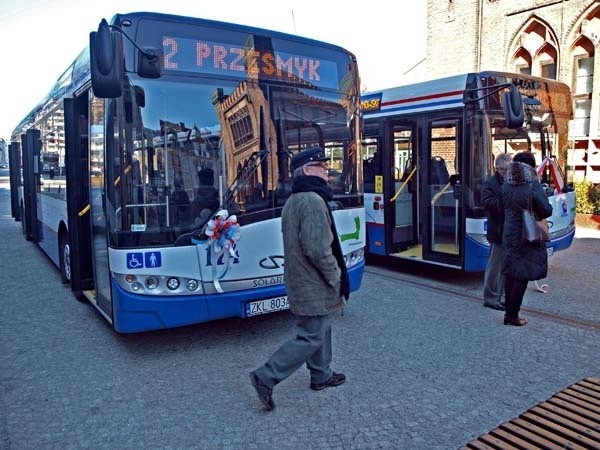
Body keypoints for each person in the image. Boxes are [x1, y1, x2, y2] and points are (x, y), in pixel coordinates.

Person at [249, 147, 350, 411]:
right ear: (306, 170)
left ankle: (321, 375)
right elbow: (318, 249)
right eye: (322, 167)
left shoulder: (294, 200)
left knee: (321, 326)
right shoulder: (312, 201)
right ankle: (266, 376)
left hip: (301, 278)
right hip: (313, 281)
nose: (327, 172)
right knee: (310, 335)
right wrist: (335, 277)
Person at [501, 151, 552, 326]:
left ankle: (509, 311)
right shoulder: (532, 185)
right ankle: (512, 316)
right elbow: (546, 210)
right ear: (531, 167)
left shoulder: (506, 185)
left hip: (509, 232)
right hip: (526, 234)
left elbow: (502, 206)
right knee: (521, 275)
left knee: (510, 273)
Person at [481, 153, 512, 311]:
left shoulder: (512, 181)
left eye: (509, 169)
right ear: (497, 168)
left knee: (506, 267)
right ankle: (491, 298)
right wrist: (504, 200)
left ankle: (502, 296)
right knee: (495, 267)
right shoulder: (490, 183)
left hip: (510, 231)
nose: (507, 173)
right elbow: (486, 203)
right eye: (504, 170)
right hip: (498, 230)